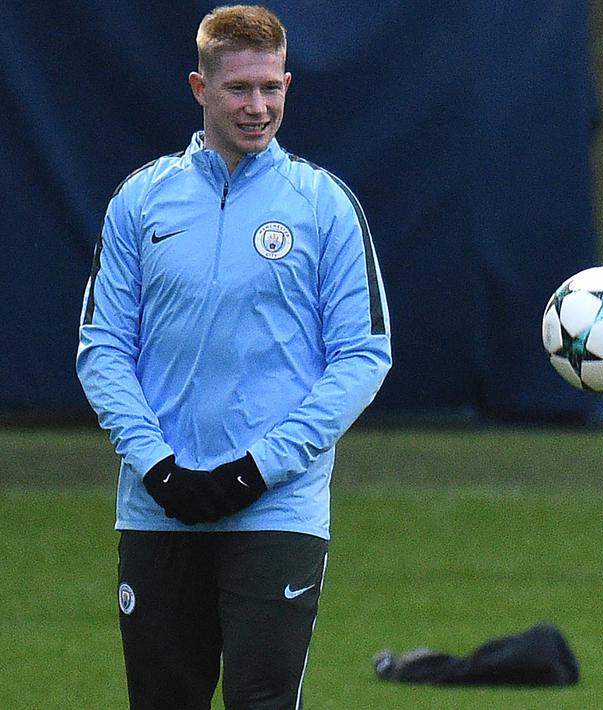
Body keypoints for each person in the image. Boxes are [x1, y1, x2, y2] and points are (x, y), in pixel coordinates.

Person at [76, 6, 392, 708]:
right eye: (238, 90)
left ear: (288, 84)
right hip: (158, 509)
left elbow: (363, 356)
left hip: (276, 511)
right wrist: (158, 467)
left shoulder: (324, 205)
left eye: (271, 89)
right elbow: (101, 349)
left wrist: (257, 470)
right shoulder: (140, 201)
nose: (257, 107)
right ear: (199, 88)